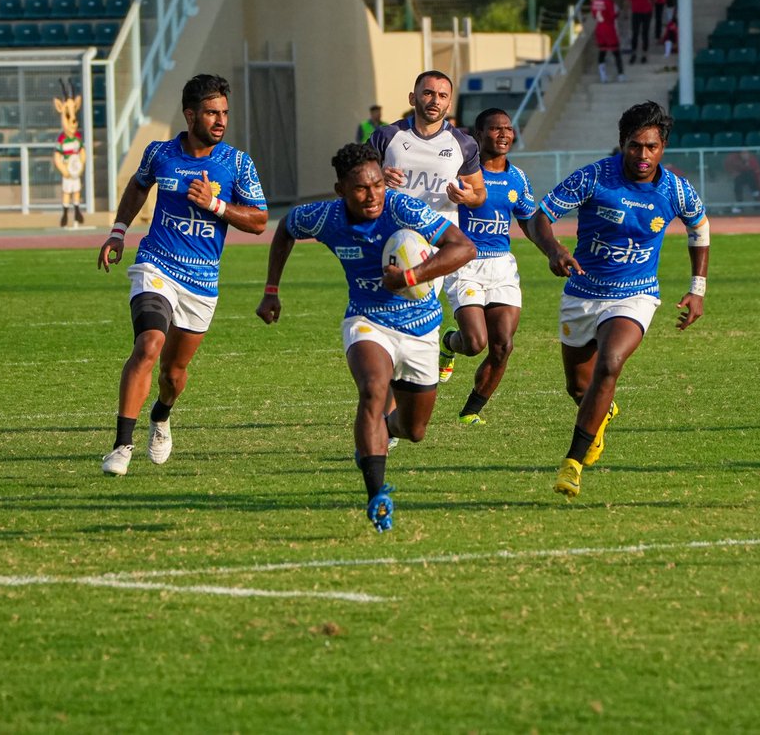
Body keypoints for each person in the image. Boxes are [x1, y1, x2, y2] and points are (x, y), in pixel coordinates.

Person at [256, 143, 476, 531]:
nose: (372, 194)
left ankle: (383, 432)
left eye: (377, 184)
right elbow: (287, 228)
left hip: (422, 329)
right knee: (374, 388)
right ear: (341, 189)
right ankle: (377, 493)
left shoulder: (401, 209)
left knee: (415, 431)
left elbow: (464, 247)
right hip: (367, 321)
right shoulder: (324, 217)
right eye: (361, 188)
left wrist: (410, 277)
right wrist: (271, 289)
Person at [529, 101, 710, 499]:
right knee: (579, 389)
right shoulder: (594, 177)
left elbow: (699, 226)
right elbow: (540, 215)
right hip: (582, 293)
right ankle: (601, 411)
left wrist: (697, 289)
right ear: (622, 143)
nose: (642, 156)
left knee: (609, 365)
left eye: (651, 147)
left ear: (663, 147)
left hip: (636, 295)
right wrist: (554, 250)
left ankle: (572, 463)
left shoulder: (677, 190)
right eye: (634, 146)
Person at [97, 74, 269, 476]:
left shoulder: (237, 163)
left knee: (173, 375)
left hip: (202, 282)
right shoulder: (159, 153)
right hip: (156, 264)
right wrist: (118, 232)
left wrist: (218, 206)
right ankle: (122, 445)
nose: (220, 120)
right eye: (212, 112)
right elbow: (139, 187)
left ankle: (161, 416)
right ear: (190, 115)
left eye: (224, 112)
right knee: (149, 345)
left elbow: (260, 220)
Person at [437, 109, 539, 422]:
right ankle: (450, 343)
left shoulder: (517, 177)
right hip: (465, 263)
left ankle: (470, 412)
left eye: (508, 128)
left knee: (503, 346)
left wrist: (552, 250)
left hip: (502, 267)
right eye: (495, 129)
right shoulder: (459, 172)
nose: (504, 134)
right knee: (475, 343)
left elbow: (529, 220)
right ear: (479, 135)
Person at [368, 70, 486, 226]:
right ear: (412, 98)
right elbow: (355, 176)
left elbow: (479, 192)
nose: (435, 101)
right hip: (391, 236)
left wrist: (469, 198)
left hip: (440, 240)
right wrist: (378, 178)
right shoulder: (386, 135)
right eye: (428, 93)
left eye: (443, 96)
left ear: (449, 105)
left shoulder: (464, 143)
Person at [53, 82, 85, 228]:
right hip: (68, 170)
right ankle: (65, 213)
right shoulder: (62, 140)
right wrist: (63, 169)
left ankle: (77, 211)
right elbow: (57, 157)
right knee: (67, 191)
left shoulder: (77, 137)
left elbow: (82, 152)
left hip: (75, 169)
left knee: (76, 190)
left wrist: (81, 163)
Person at [590, 0, 625, 83]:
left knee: (602, 52)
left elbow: (593, 15)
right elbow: (613, 14)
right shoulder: (609, 2)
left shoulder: (594, 2)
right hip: (609, 28)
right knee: (616, 52)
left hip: (599, 29)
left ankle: (603, 76)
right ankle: (620, 74)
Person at [625, 0, 653, 64]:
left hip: (646, 10)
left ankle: (644, 54)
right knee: (635, 33)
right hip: (636, 10)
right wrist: (627, 11)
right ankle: (634, 54)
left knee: (645, 33)